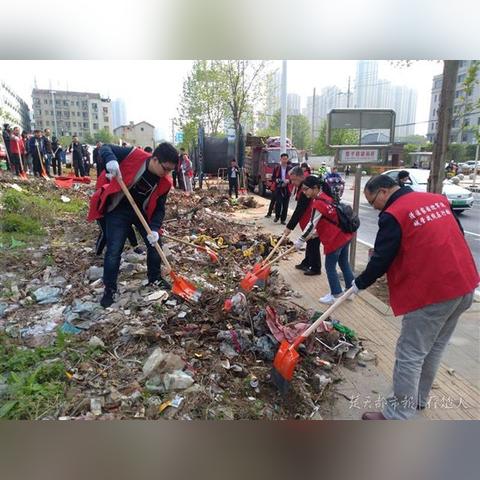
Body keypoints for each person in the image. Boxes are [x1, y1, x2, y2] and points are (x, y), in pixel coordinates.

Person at [351, 175, 478, 420]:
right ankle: (418, 398)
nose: (375, 207)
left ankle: (398, 415)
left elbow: (382, 258)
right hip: (464, 284)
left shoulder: (394, 213)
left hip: (433, 293)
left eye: (373, 200)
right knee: (433, 347)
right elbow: (454, 236)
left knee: (409, 354)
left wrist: (359, 283)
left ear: (384, 191)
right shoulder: (436, 200)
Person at [87, 142, 178, 308]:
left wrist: (155, 229)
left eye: (170, 170)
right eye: (165, 169)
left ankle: (155, 278)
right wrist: (111, 160)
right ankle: (110, 289)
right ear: (155, 159)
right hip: (119, 208)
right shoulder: (134, 155)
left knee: (155, 243)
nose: (167, 173)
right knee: (114, 248)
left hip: (143, 212)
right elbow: (105, 148)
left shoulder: (165, 182)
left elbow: (159, 208)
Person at [294, 175, 354, 303]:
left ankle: (336, 294)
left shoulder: (318, 203)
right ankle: (350, 291)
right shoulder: (327, 197)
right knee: (344, 263)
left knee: (330, 267)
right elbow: (327, 220)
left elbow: (311, 224)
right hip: (345, 235)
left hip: (335, 239)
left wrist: (300, 240)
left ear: (315, 188)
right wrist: (316, 233)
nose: (304, 192)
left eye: (306, 189)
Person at [284, 167, 321, 276]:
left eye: (294, 180)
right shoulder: (302, 188)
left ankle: (316, 267)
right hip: (306, 221)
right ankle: (307, 262)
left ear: (301, 177)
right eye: (291, 180)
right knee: (309, 243)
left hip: (313, 222)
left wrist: (289, 227)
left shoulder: (306, 190)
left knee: (313, 244)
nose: (293, 182)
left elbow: (299, 210)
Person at [271, 153, 292, 225]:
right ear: (280, 159)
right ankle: (277, 216)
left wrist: (288, 181)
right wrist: (276, 180)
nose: (284, 160)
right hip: (279, 188)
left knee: (285, 205)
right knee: (278, 203)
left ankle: (283, 219)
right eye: (283, 159)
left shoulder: (290, 168)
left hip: (287, 188)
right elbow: (273, 177)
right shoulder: (277, 168)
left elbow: (293, 179)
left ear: (287, 159)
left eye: (286, 159)